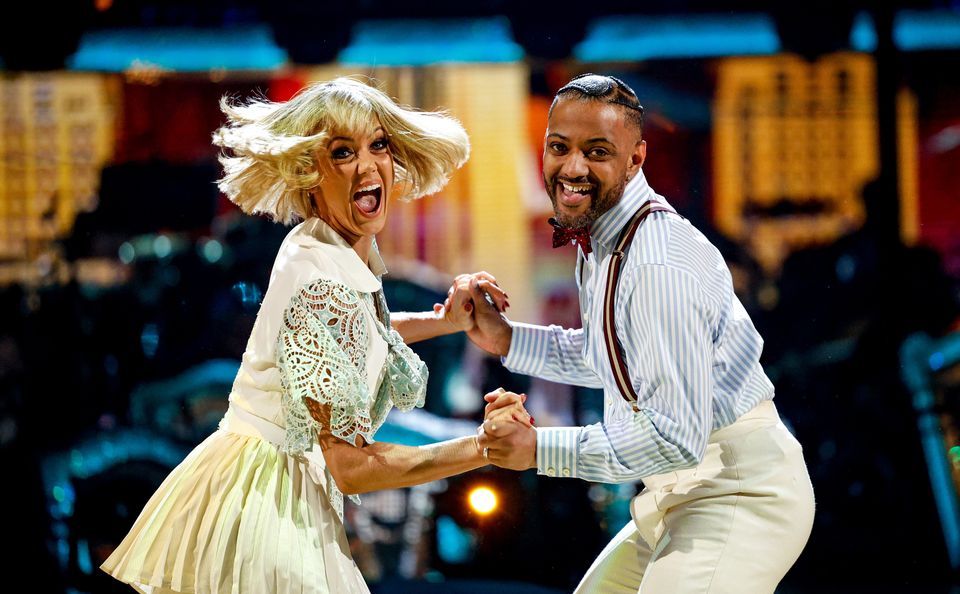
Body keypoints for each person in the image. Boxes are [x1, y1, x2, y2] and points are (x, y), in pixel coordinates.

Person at [100, 77, 524, 594]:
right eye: (343, 152)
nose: (368, 166)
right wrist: (483, 447)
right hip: (267, 508)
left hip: (264, 490)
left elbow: (355, 334)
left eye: (379, 145)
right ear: (309, 175)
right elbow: (351, 467)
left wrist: (448, 320)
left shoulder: (325, 245)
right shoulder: (321, 276)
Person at [455, 73, 816, 593]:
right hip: (681, 494)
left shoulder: (654, 263)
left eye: (596, 151)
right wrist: (506, 338)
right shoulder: (607, 236)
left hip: (738, 494)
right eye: (559, 147)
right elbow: (616, 354)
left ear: (636, 159)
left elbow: (674, 436)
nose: (572, 167)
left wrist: (538, 449)